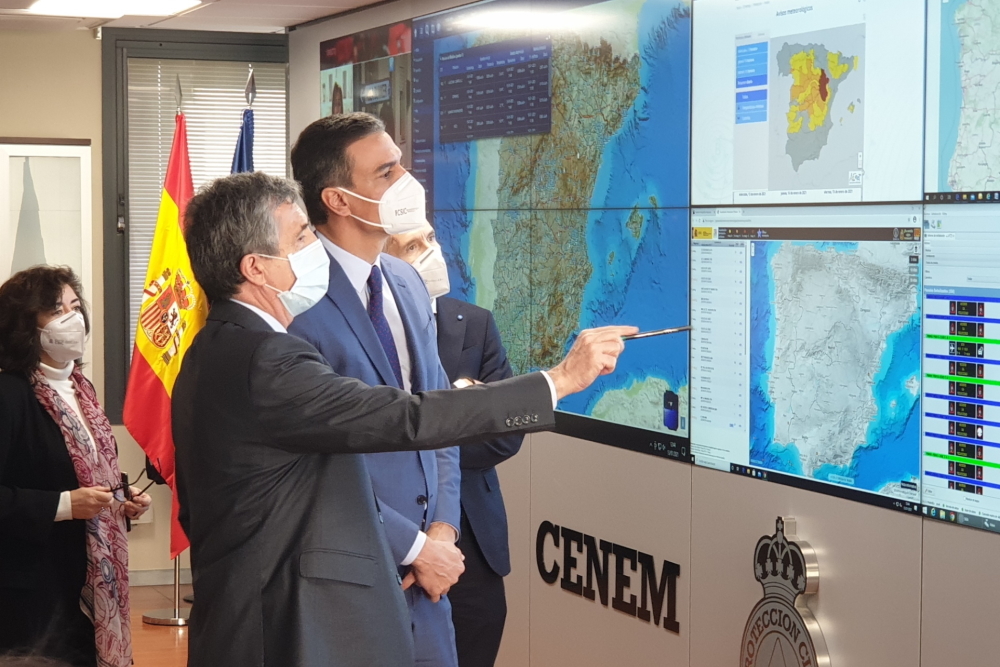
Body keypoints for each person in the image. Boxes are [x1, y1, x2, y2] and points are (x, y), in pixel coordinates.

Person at [172, 171, 633, 667]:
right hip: (284, 629)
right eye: (301, 237)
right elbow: (406, 418)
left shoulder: (211, 349)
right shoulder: (267, 360)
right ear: (256, 268)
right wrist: (558, 380)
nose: (316, 248)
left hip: (247, 621)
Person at [289, 112, 462, 665]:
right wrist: (410, 546)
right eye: (386, 172)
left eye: (400, 165)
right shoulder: (294, 300)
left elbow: (440, 415)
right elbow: (311, 463)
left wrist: (441, 532)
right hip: (350, 576)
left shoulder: (406, 281)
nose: (407, 182)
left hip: (430, 586)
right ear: (338, 200)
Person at [0, 266, 152, 667]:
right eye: (56, 310)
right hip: (32, 588)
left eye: (74, 306)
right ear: (25, 324)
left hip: (91, 578)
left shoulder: (82, 388)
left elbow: (85, 469)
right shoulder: (9, 393)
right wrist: (65, 505)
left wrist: (121, 497)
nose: (73, 318)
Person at [385, 222, 519, 667]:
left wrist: (426, 441)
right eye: (412, 245)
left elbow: (505, 433)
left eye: (431, 238)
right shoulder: (361, 331)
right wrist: (456, 420)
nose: (431, 252)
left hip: (471, 543)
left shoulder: (475, 323)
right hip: (388, 537)